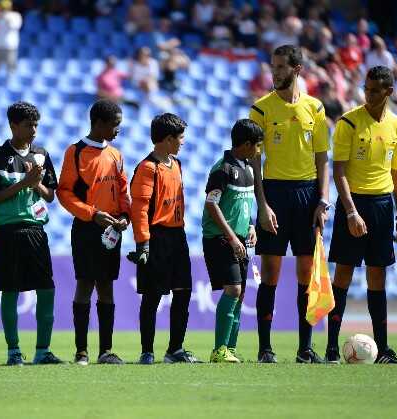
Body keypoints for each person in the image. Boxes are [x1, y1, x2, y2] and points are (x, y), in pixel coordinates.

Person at [249, 45, 330, 364]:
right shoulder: (261, 109)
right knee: (269, 273)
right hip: (274, 194)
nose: (275, 72)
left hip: (308, 194)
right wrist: (263, 204)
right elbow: (254, 162)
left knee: (306, 273)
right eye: (273, 66)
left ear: (297, 69)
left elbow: (323, 159)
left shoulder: (316, 108)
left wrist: (323, 200)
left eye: (281, 67)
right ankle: (265, 348)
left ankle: (305, 348)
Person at [326, 66, 397, 365]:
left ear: (389, 92)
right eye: (366, 89)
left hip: (383, 206)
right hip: (354, 204)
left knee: (377, 277)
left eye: (375, 90)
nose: (368, 94)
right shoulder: (348, 122)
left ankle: (384, 349)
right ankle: (332, 348)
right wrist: (350, 212)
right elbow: (339, 171)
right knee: (343, 275)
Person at [0, 102, 63, 365]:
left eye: (36, 124)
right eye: (28, 125)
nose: (34, 130)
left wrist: (36, 184)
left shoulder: (41, 155)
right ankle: (14, 351)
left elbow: (51, 196)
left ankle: (42, 351)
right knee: (10, 290)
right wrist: (24, 183)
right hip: (7, 230)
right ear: (13, 125)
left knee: (47, 289)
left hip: (36, 229)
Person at [57, 99, 130, 365]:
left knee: (107, 286)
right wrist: (91, 214)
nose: (118, 129)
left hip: (111, 231)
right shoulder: (75, 152)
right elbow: (63, 193)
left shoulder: (117, 155)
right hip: (87, 228)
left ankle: (106, 351)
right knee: (85, 284)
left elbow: (123, 191)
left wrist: (124, 216)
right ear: (98, 123)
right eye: (115, 124)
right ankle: (81, 352)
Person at [129, 113, 198, 364]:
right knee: (152, 295)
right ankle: (147, 351)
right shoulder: (148, 168)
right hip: (156, 238)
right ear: (168, 139)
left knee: (183, 291)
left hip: (178, 236)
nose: (182, 143)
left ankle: (175, 349)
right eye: (180, 139)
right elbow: (139, 210)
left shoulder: (176, 164)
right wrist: (143, 243)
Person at [203, 120, 262, 363]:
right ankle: (219, 349)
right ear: (247, 144)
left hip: (240, 239)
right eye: (258, 146)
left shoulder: (248, 169)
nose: (260, 150)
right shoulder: (223, 169)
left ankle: (231, 348)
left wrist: (250, 226)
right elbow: (211, 204)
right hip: (219, 237)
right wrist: (231, 237)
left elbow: (245, 204)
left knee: (241, 293)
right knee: (234, 289)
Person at [0, 0, 22, 72]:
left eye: (4, 8)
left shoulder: (16, 15)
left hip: (10, 47)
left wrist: (7, 18)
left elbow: (15, 26)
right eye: (2, 7)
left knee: (11, 70)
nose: (3, 9)